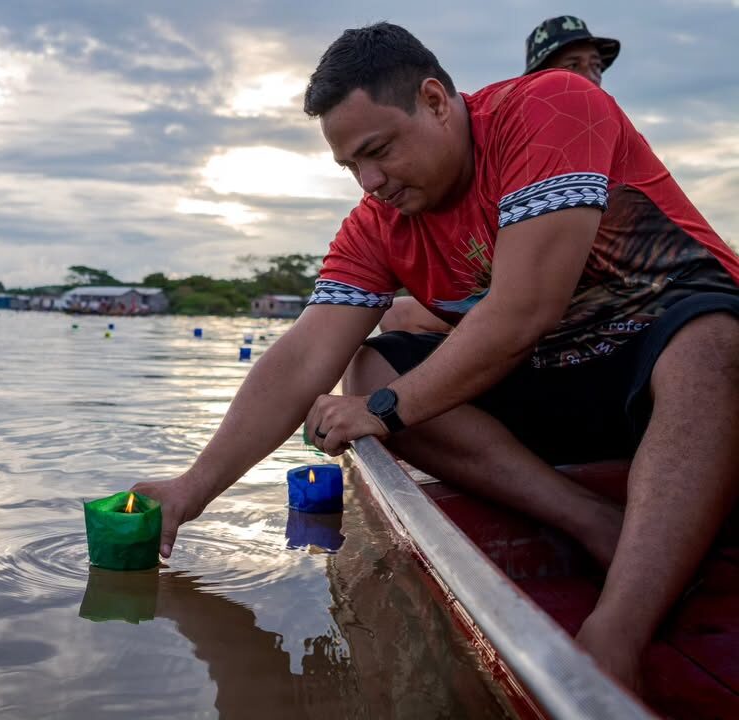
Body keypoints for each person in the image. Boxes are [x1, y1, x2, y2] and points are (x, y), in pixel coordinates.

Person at [132, 23, 739, 691]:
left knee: (716, 342)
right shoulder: (378, 223)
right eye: (350, 167)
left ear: (435, 100)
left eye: (378, 150)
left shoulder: (551, 106)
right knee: (364, 366)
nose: (369, 182)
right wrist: (193, 489)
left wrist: (385, 412)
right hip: (555, 375)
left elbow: (522, 312)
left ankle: (615, 632)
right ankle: (590, 519)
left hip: (671, 358)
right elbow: (306, 352)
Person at [381, 14, 621, 335]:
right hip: (526, 290)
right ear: (541, 78)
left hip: (596, 295)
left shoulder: (606, 134)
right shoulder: (526, 142)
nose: (589, 76)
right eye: (573, 66)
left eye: (596, 66)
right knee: (395, 315)